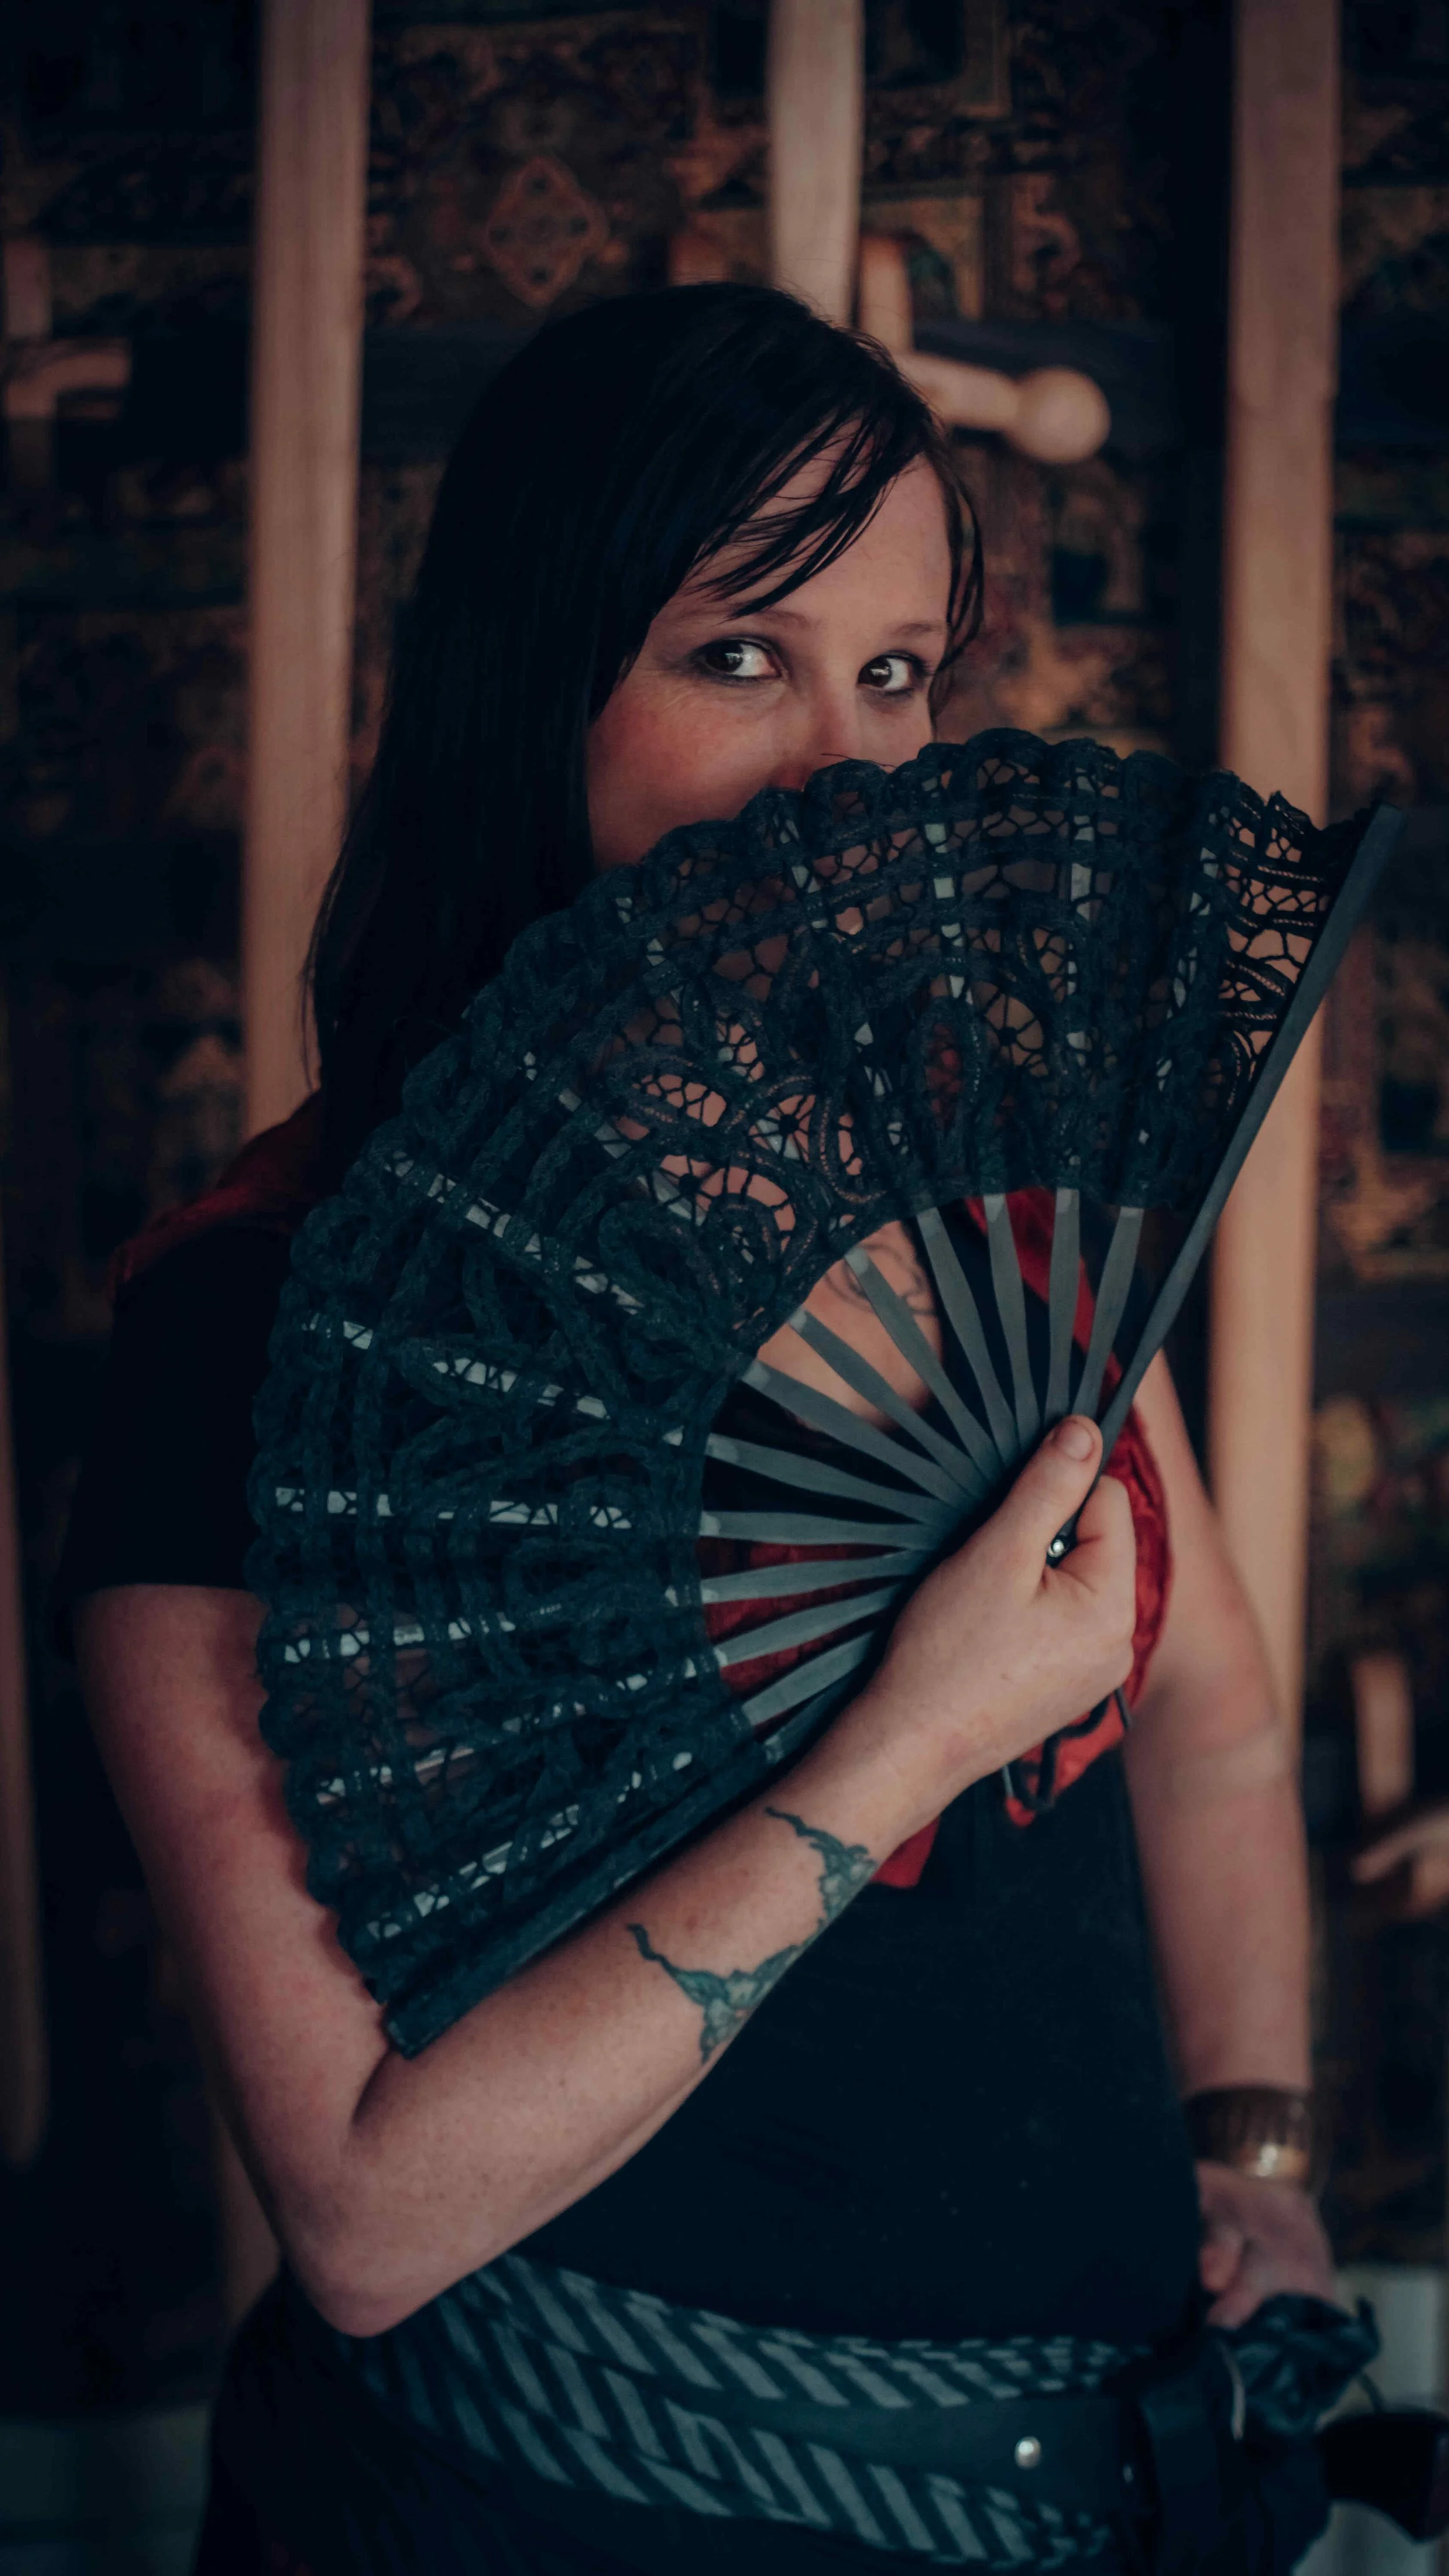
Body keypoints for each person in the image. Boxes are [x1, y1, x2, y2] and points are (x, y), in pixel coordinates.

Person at [64, 286, 1345, 2575]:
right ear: (534, 692)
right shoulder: (262, 1333)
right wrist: (907, 1740)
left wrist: (1255, 2159)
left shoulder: (979, 1209)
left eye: (895, 669)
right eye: (740, 653)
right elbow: (363, 2211)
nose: (845, 766)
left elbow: (1220, 1737)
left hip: (1118, 2499)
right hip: (554, 2518)